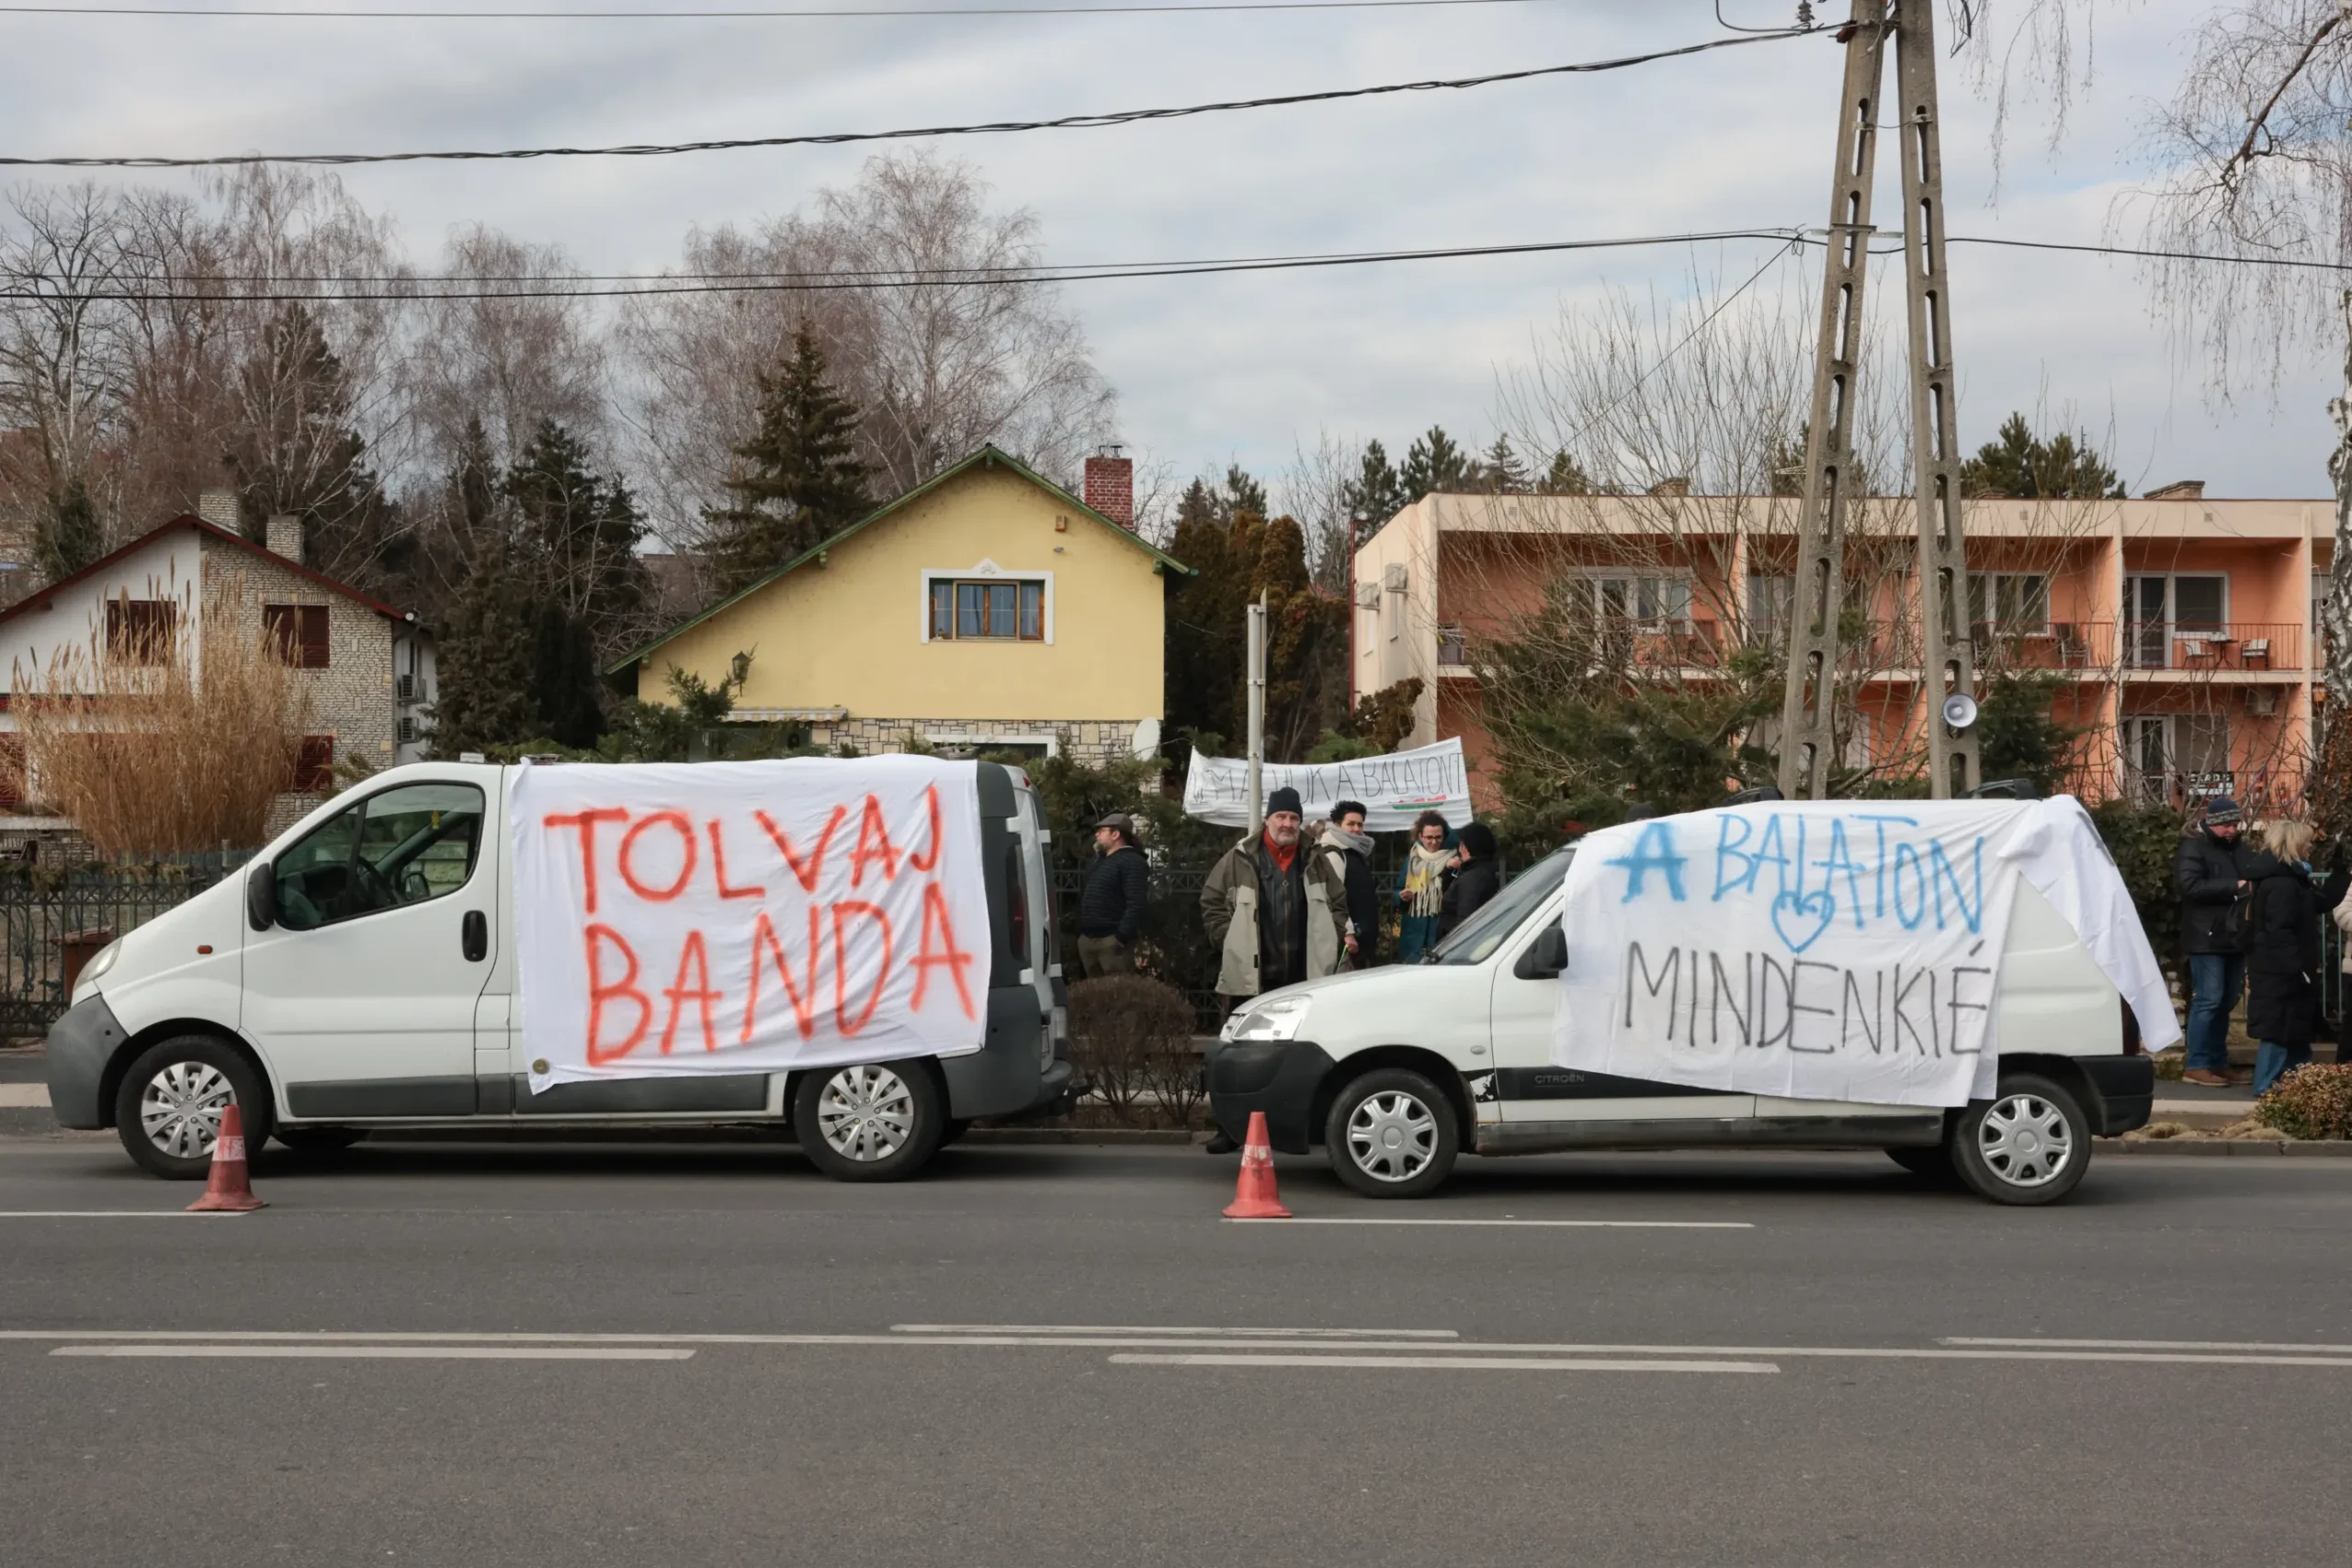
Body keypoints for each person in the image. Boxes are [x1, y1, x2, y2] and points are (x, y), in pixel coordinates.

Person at [1201, 785, 1350, 1152]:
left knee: (1299, 1056)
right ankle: (1229, 1129)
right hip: (1253, 976)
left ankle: (1296, 1126)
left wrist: (1329, 937)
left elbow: (1338, 903)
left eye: (1294, 818)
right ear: (1268, 819)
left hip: (1304, 975)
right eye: (1281, 816)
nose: (1287, 823)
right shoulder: (1239, 858)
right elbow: (1212, 901)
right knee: (1240, 1055)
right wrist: (1230, 940)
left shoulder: (1315, 858)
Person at [2241, 819, 2349, 1096]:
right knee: (2279, 1030)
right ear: (2294, 844)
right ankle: (2267, 1087)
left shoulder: (2290, 878)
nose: (2311, 846)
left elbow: (2323, 902)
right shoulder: (2281, 884)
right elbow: (2279, 930)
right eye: (2307, 842)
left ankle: (2296, 1086)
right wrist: (2297, 969)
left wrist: (2339, 869)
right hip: (2281, 971)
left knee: (2295, 1031)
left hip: (2286, 968)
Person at [2173, 795, 2253, 1088]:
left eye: (2235, 824)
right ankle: (2197, 1063)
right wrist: (2235, 887)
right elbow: (2189, 886)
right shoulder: (2194, 847)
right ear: (2211, 823)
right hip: (2206, 935)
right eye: (2226, 825)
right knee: (2209, 999)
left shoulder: (2240, 848)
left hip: (2233, 935)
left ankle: (2218, 1062)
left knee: (2227, 1000)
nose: (2232, 829)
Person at [1074, 811, 1149, 978]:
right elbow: (1084, 895)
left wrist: (1120, 937)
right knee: (1094, 995)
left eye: (1102, 831)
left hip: (1111, 941)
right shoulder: (1097, 861)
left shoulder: (1132, 861)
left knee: (1118, 994)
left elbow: (1136, 903)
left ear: (1115, 834)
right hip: (1088, 939)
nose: (1097, 835)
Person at [1317, 799, 1380, 968]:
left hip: (1362, 937)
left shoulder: (1355, 852)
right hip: (1347, 941)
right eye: (1350, 824)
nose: (1356, 829)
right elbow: (1333, 897)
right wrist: (1347, 933)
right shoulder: (1334, 854)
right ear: (1337, 825)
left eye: (1360, 824)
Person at [1396, 810, 1452, 964]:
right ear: (1421, 836)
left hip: (1440, 930)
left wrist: (1448, 870)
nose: (1433, 842)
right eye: (1429, 837)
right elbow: (1397, 890)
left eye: (1438, 837)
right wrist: (1402, 896)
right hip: (1414, 932)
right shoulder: (1413, 860)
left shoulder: (1452, 859)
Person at [1438, 821, 1501, 939]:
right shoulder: (1477, 871)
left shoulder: (1473, 878)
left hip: (1456, 944)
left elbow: (1464, 922)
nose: (1460, 849)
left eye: (1462, 844)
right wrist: (1450, 871)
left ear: (1470, 847)